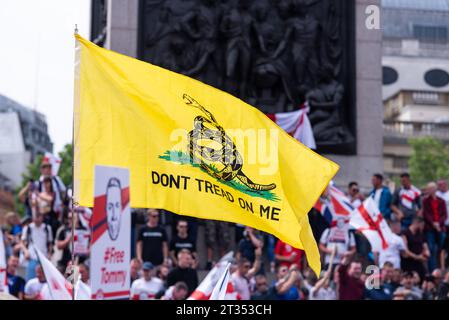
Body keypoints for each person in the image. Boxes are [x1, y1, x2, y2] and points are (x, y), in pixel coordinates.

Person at [422, 182, 447, 272]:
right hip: (430, 228)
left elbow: (444, 215)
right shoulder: (425, 201)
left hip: (441, 227)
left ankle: (443, 268)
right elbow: (426, 213)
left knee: (443, 248)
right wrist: (433, 223)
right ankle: (433, 270)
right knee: (431, 249)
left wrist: (439, 223)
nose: (429, 190)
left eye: (430, 188)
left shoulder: (441, 201)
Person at [20, 212, 53, 281]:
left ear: (42, 217)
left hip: (44, 258)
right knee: (30, 280)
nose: (37, 219)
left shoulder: (47, 228)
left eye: (38, 216)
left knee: (43, 280)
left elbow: (50, 243)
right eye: (35, 216)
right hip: (32, 258)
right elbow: (22, 243)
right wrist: (26, 251)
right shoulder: (28, 228)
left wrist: (49, 254)